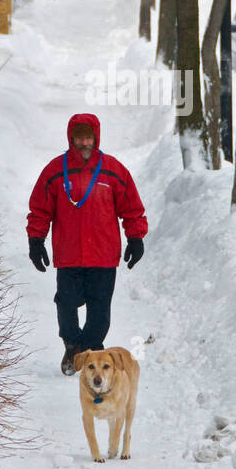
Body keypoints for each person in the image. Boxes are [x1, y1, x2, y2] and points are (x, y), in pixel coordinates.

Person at [26, 113, 147, 373]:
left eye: (88, 137)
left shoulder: (113, 170)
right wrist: (36, 240)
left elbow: (132, 208)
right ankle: (72, 345)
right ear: (71, 139)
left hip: (103, 255)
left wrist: (135, 237)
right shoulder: (55, 171)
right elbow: (39, 209)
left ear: (96, 138)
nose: (84, 142)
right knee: (66, 302)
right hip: (69, 253)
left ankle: (90, 352)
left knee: (99, 310)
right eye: (79, 137)